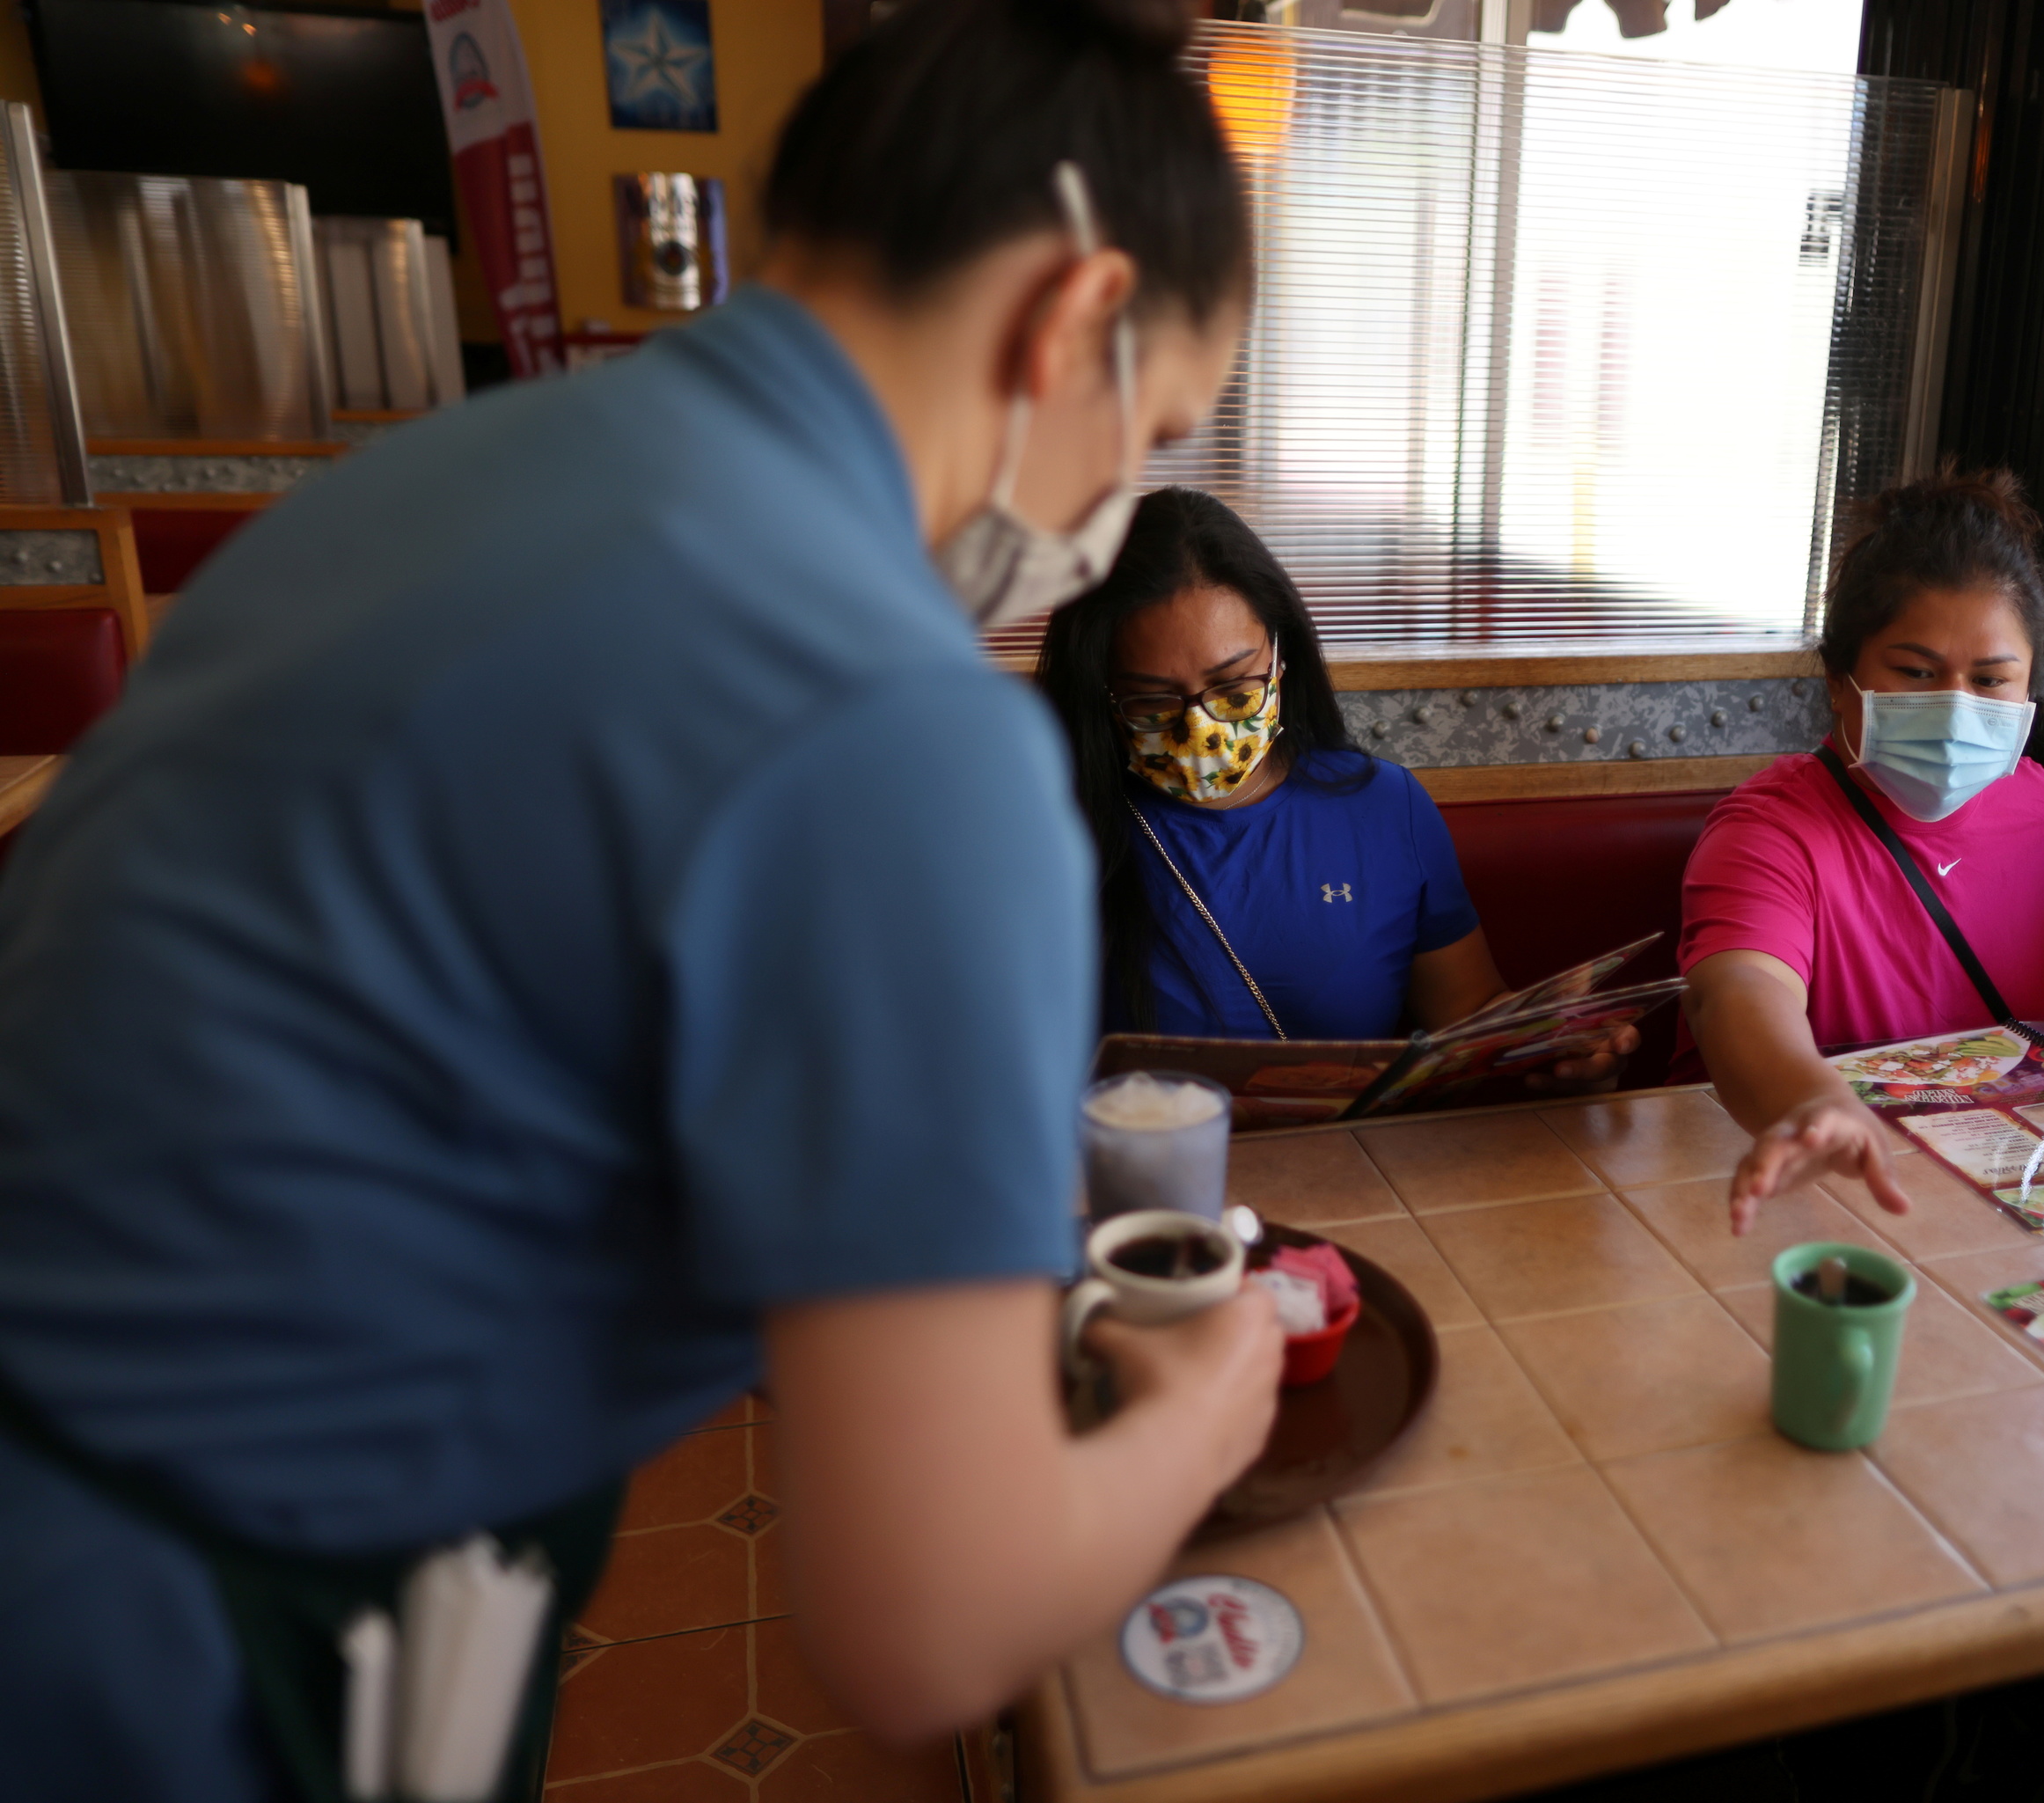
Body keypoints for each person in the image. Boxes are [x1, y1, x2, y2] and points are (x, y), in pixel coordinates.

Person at [0, 3, 1285, 1796]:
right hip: (176, 1644)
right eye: (1144, 429)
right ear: (1072, 320)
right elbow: (929, 1623)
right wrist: (1207, 1410)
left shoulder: (441, 477)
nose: (1104, 512)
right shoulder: (894, 716)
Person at [1671, 470, 2044, 1232]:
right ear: (1840, 681)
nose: (1955, 705)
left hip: (1993, 1185)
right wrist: (1816, 1104)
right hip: (1781, 1181)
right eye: (1915, 673)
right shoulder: (1766, 832)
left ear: (2030, 692)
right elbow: (1739, 993)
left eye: (1991, 679)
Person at [1036, 486, 1639, 1081]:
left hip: (1355, 1171)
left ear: (1280, 658)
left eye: (1235, 689)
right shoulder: (1049, 828)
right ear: (1100, 695)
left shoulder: (1384, 810)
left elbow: (1468, 1017)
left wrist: (1556, 1047)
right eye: (1151, 701)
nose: (1201, 726)